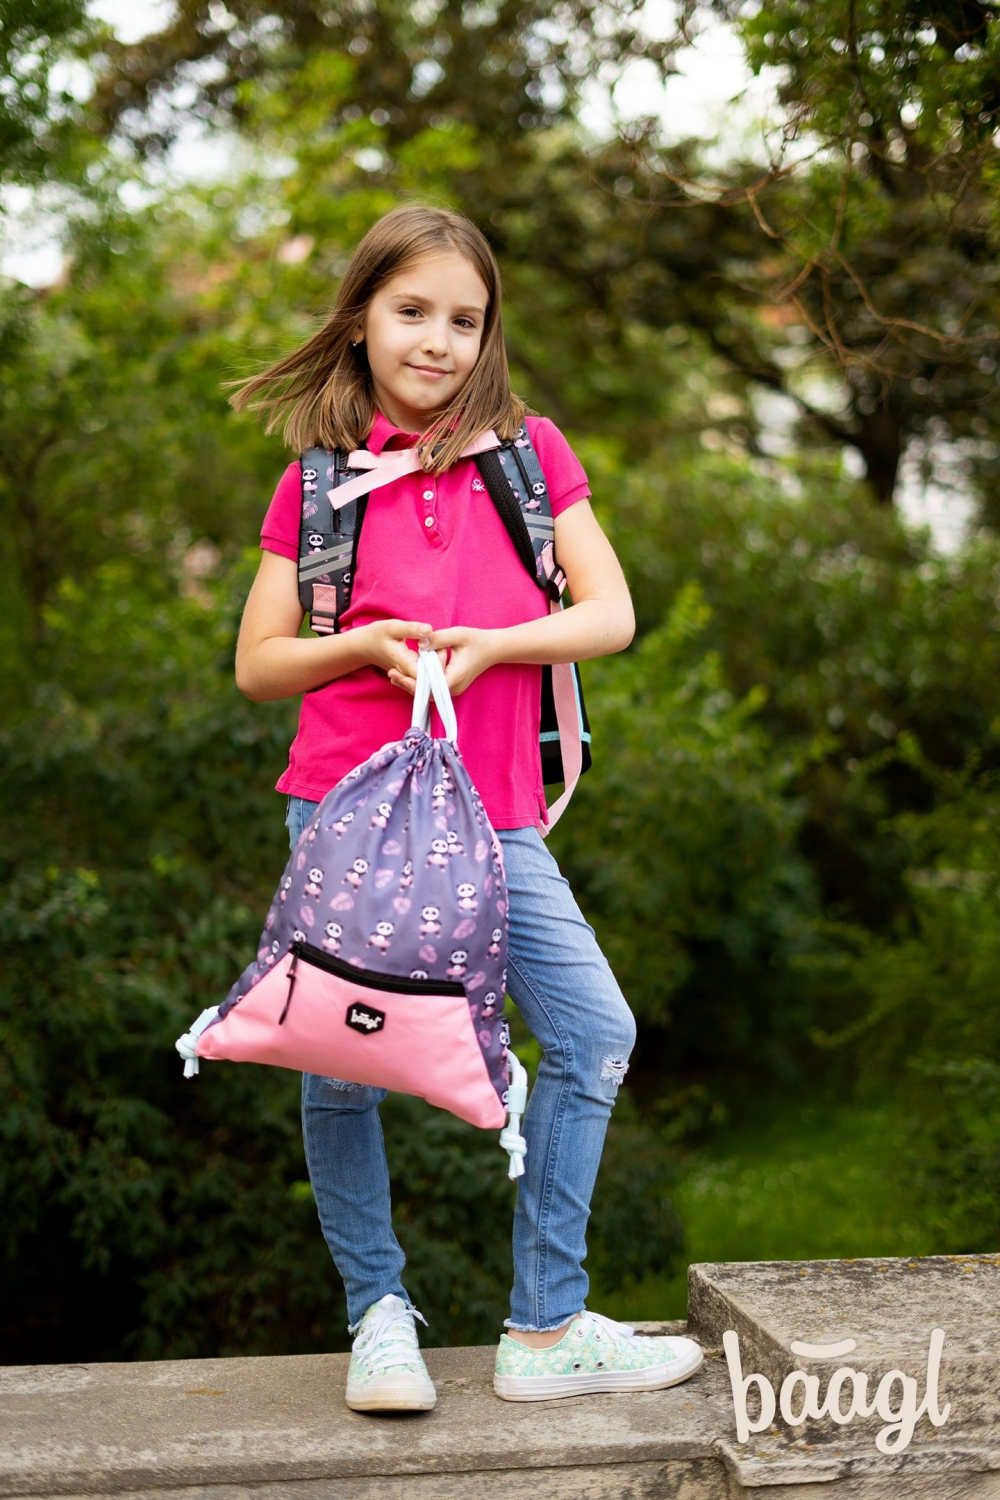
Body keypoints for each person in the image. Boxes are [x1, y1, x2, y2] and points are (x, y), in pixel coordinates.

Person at [226, 203, 704, 1410]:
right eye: (411, 311)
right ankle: (377, 1321)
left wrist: (494, 646)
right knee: (342, 1064)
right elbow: (260, 664)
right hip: (346, 812)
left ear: (488, 335)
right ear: (359, 321)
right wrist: (360, 647)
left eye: (463, 319)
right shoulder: (317, 487)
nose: (436, 340)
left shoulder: (531, 458)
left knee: (592, 1033)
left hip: (499, 816)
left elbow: (610, 615)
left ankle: (544, 1328)